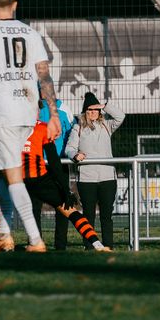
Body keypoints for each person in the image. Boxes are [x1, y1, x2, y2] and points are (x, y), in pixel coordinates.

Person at [0, 0, 62, 253]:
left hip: (1, 112)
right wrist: (52, 114)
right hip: (27, 111)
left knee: (12, 176)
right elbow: (44, 76)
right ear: (15, 5)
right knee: (2, 173)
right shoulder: (30, 33)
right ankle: (4, 236)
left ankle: (35, 239)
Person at [23, 121, 111, 252]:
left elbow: (53, 160)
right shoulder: (33, 127)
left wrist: (66, 190)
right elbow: (54, 161)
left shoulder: (35, 127)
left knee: (69, 210)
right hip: (29, 180)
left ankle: (97, 244)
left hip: (28, 180)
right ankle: (97, 244)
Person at [65, 92, 125, 250]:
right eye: (89, 109)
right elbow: (69, 148)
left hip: (107, 178)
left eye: (95, 109)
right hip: (87, 179)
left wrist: (105, 105)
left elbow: (120, 116)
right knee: (88, 216)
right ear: (85, 111)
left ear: (99, 111)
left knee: (106, 215)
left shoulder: (107, 125)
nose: (92, 112)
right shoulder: (77, 127)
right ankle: (89, 246)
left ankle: (108, 246)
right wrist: (75, 155)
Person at [31, 98, 75, 250]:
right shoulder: (33, 106)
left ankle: (60, 245)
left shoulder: (63, 107)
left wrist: (68, 152)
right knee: (34, 205)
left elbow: (73, 133)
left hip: (59, 163)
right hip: (37, 163)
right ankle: (37, 243)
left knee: (63, 203)